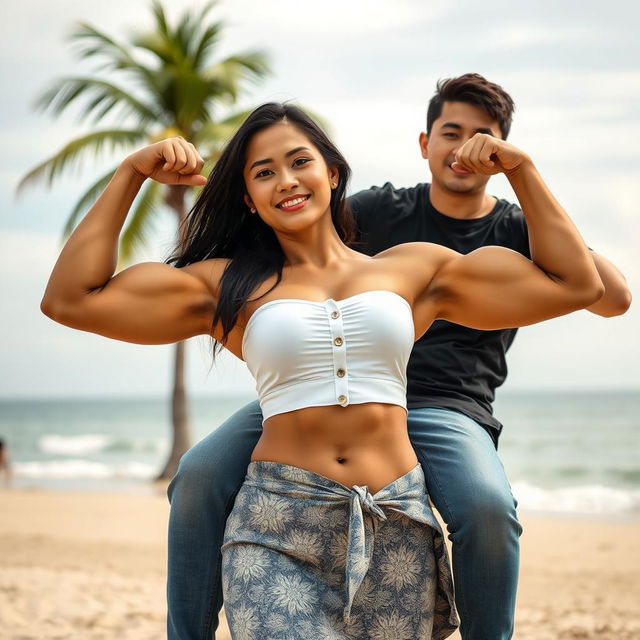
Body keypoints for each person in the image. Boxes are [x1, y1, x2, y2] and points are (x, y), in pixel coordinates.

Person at [41, 101, 604, 638]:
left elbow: (576, 284)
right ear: (248, 198)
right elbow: (70, 300)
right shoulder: (222, 285)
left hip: (395, 520)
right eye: (264, 172)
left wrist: (522, 170)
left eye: (299, 162)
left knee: (487, 506)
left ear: (333, 174)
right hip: (277, 524)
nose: (285, 180)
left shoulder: (416, 268)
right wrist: (131, 173)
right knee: (198, 476)